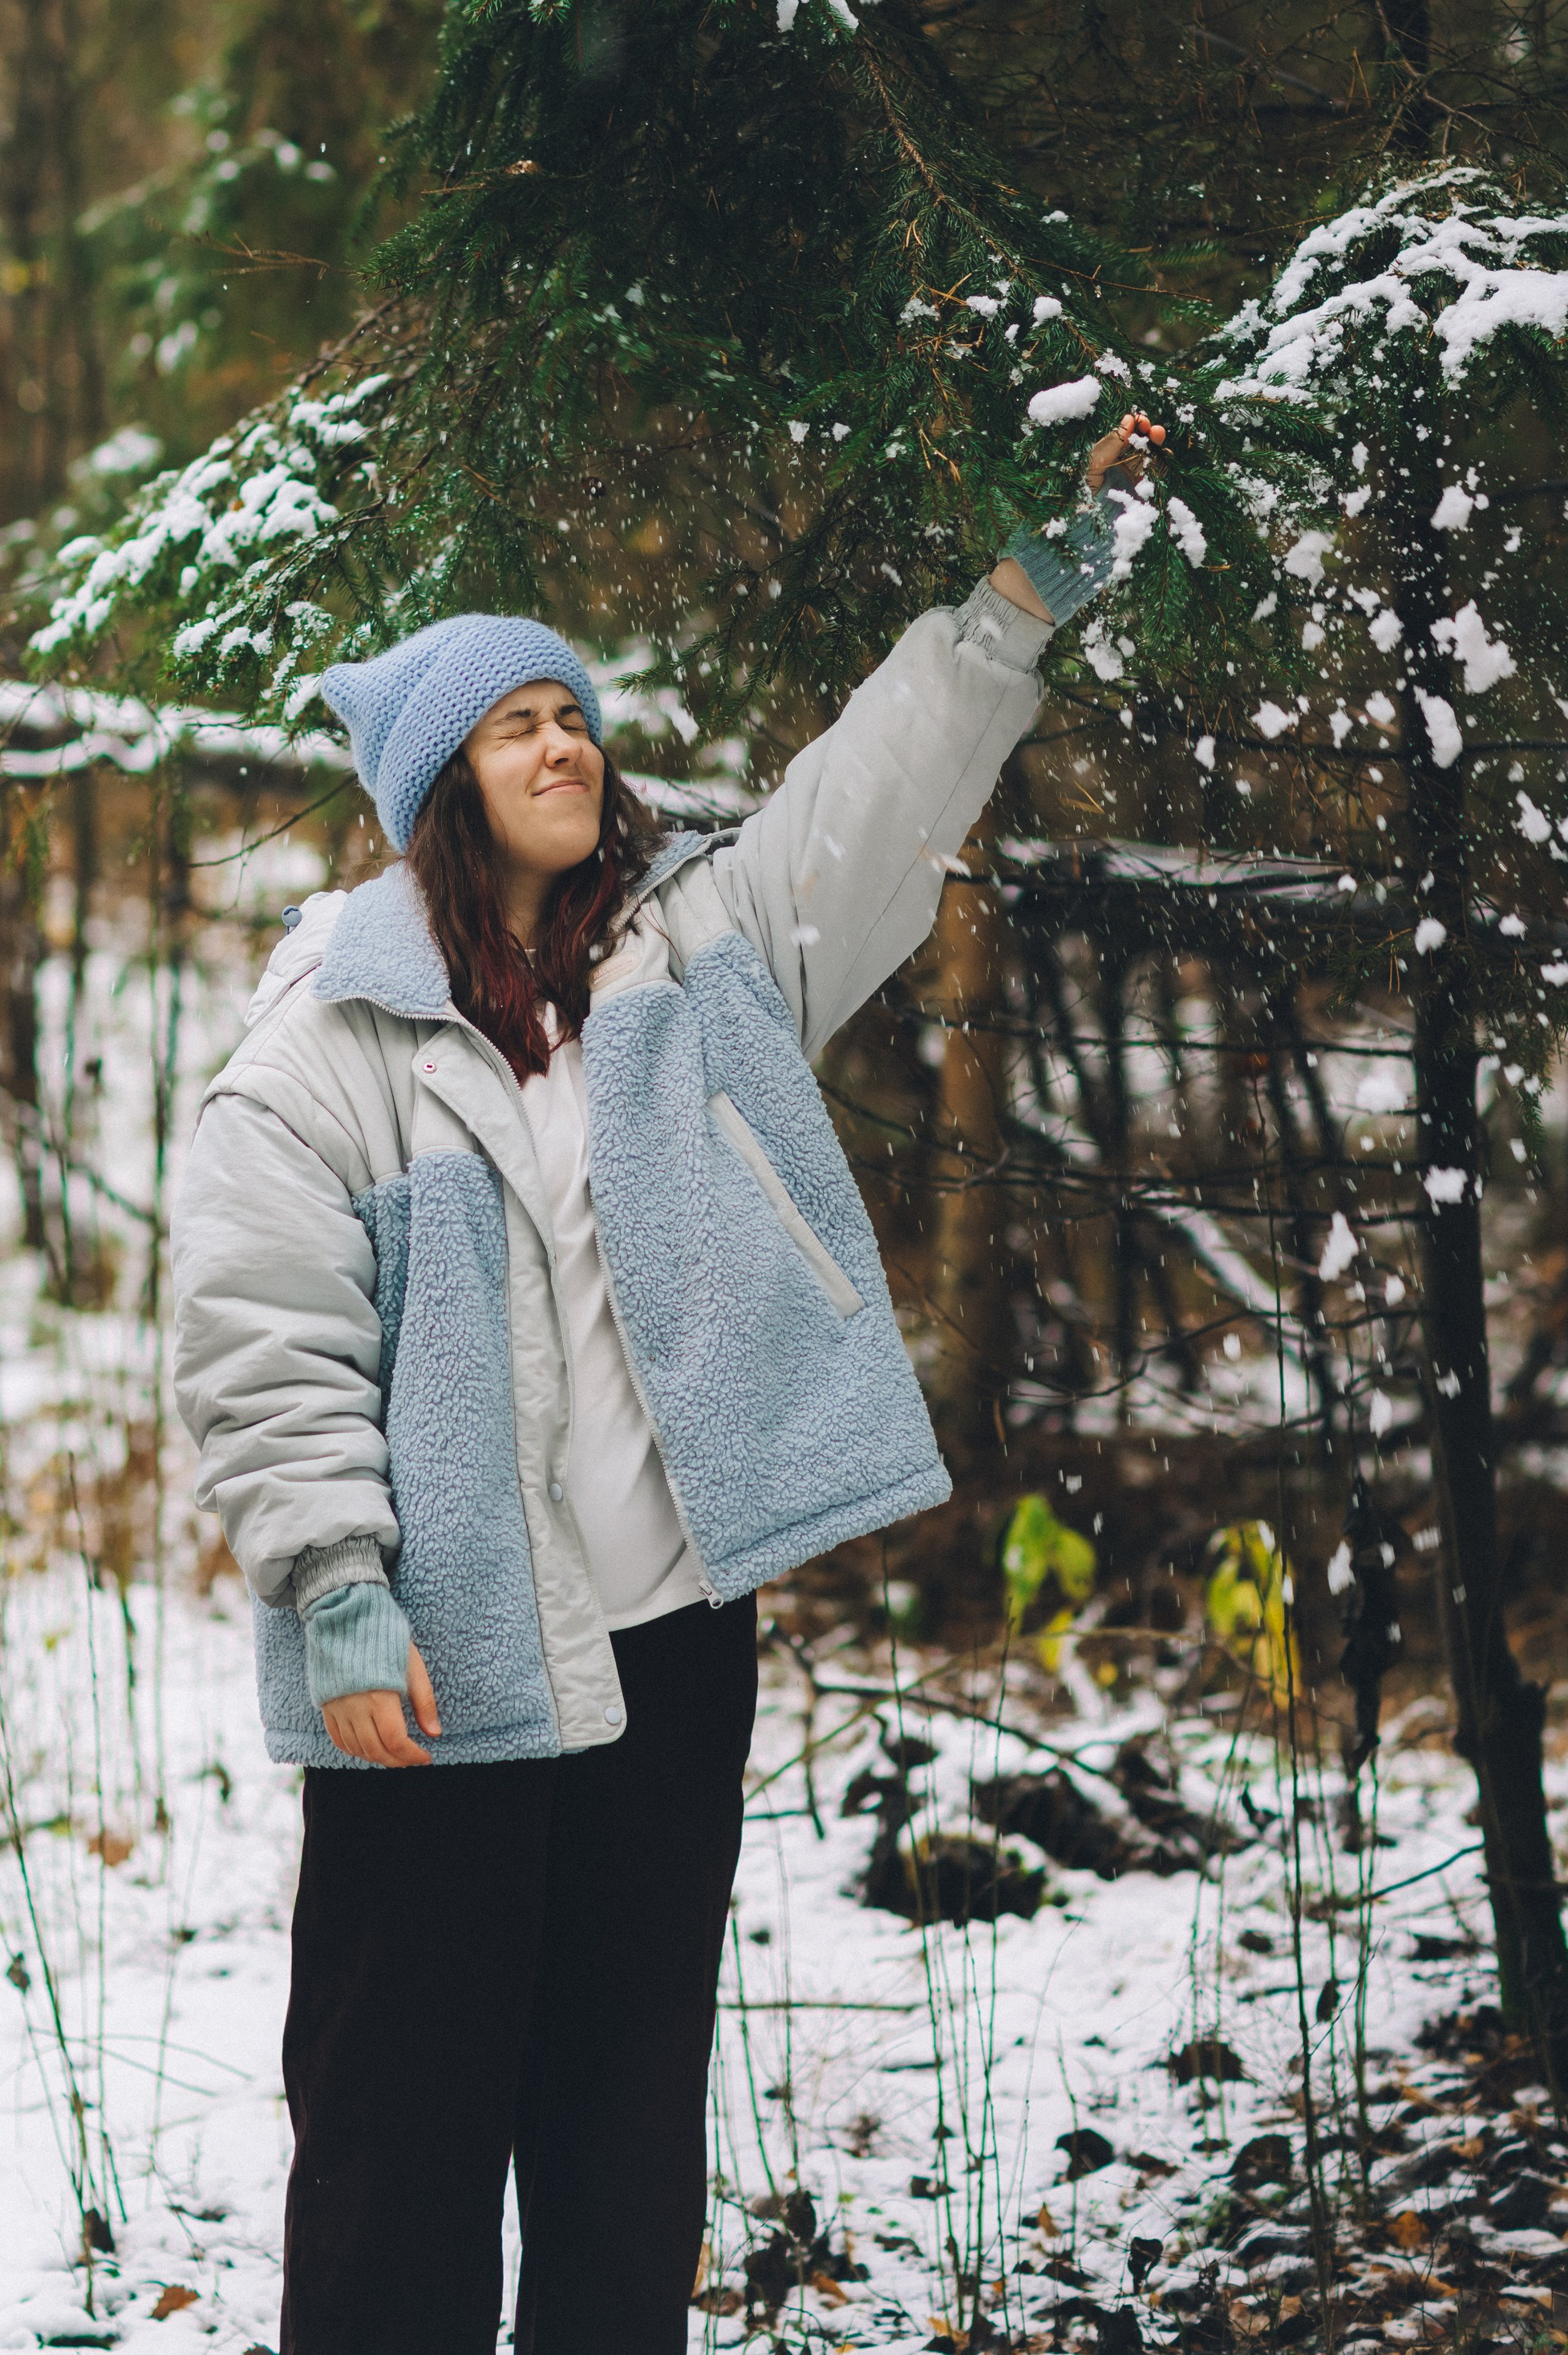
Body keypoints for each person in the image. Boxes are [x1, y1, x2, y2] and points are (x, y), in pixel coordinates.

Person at [170, 415, 1162, 2355]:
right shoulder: (323, 1045)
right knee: (398, 2130)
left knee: (623, 2126)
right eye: (515, 723)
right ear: (436, 787)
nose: (566, 744)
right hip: (438, 1669)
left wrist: (1016, 604)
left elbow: (867, 805)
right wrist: (340, 1592)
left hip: (669, 1643)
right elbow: (257, 1342)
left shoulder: (687, 962)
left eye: (573, 713)